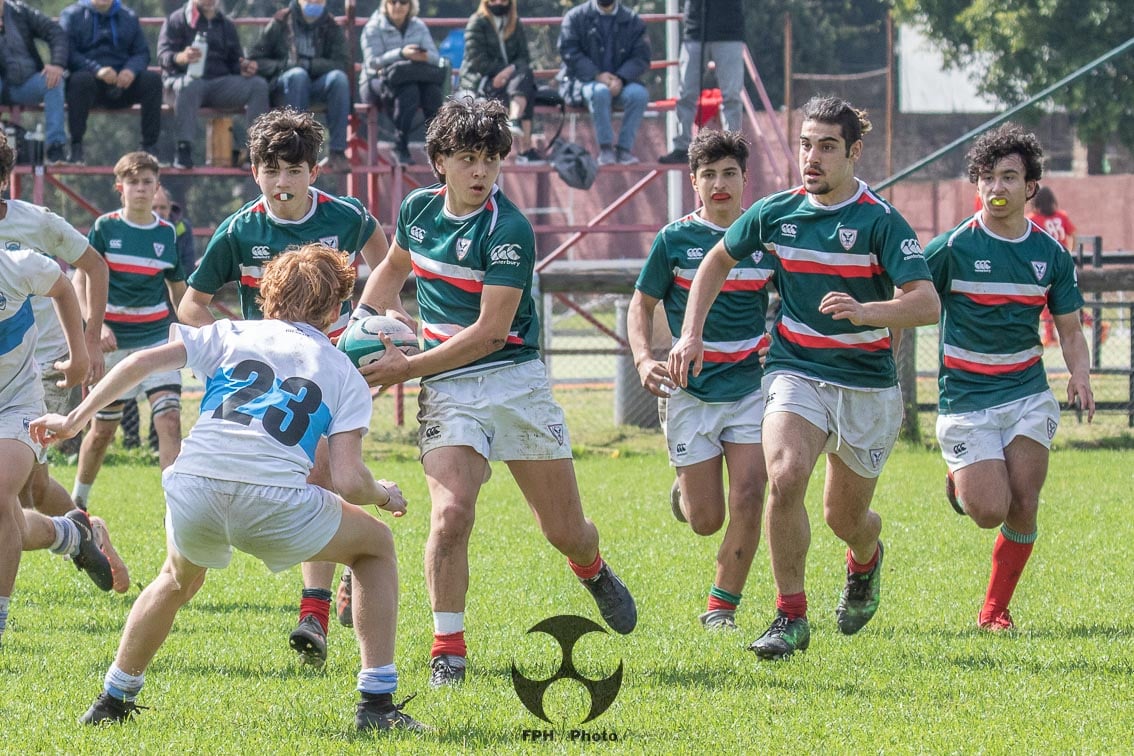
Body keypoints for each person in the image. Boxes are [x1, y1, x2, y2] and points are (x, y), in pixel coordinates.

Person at [33, 244, 426, 733]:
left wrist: (73, 420)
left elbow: (139, 365)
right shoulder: (341, 368)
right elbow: (349, 479)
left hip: (194, 486)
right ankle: (377, 705)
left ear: (266, 296)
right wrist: (385, 494)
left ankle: (114, 698)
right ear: (337, 311)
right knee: (375, 548)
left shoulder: (228, 331)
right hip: (275, 504)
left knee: (176, 581)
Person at [355, 96, 638, 688]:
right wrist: (363, 322)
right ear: (439, 161)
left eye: (488, 159)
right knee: (451, 513)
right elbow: (391, 273)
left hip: (513, 379)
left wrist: (406, 368)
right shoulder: (416, 210)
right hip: (448, 387)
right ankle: (447, 651)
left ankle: (592, 567)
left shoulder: (508, 228)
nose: (480, 172)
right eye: (466, 158)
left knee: (566, 530)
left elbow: (488, 334)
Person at [669, 95, 939, 660]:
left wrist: (869, 312)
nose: (811, 157)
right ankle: (790, 616)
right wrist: (690, 332)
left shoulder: (881, 221)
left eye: (827, 146)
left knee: (846, 517)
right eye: (804, 144)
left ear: (854, 152)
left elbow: (926, 303)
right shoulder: (775, 212)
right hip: (796, 369)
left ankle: (866, 558)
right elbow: (716, 260)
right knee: (786, 477)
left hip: (866, 383)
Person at [177, 107, 390, 668]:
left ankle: (319, 604)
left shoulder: (348, 217)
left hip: (339, 371)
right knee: (320, 476)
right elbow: (190, 306)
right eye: (271, 170)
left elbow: (389, 270)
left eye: (293, 170)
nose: (282, 182)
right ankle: (324, 597)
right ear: (254, 173)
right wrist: (232, 346)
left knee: (331, 474)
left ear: (313, 172)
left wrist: (369, 329)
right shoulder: (240, 229)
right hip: (279, 385)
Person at [926, 124, 1094, 633]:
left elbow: (1069, 328)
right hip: (966, 399)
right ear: (976, 186)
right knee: (987, 509)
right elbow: (907, 299)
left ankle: (994, 610)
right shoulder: (950, 248)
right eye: (987, 178)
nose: (997, 188)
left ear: (1030, 188)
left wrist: (1080, 374)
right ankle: (961, 484)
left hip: (1026, 394)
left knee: (1024, 502)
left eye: (1009, 177)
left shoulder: (1050, 254)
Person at [628, 130, 773, 630]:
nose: (719, 183)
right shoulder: (674, 240)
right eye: (708, 174)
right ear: (694, 182)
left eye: (729, 173)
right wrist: (645, 359)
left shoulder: (764, 240)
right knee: (705, 519)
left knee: (752, 493)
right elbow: (641, 305)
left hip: (750, 389)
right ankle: (686, 492)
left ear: (744, 179)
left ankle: (721, 607)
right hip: (690, 391)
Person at [0, 130, 117, 646]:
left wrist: (87, 347)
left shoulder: (36, 225)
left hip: (43, 369)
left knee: (12, 492)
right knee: (33, 492)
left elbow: (91, 267)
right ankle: (79, 532)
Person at [70, 152, 186, 516]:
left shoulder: (166, 233)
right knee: (103, 430)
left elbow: (179, 289)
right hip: (115, 344)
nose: (140, 189)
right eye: (133, 182)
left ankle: (177, 510)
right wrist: (95, 323)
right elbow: (80, 278)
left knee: (169, 419)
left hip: (156, 341)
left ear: (156, 188)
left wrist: (190, 335)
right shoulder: (105, 227)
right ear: (120, 188)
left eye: (147, 182)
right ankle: (78, 501)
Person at [157, 0, 271, 170]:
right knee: (189, 85)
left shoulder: (226, 25)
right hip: (184, 84)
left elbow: (234, 61)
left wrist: (244, 67)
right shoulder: (177, 20)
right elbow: (163, 56)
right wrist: (181, 57)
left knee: (258, 85)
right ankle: (183, 149)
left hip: (219, 84)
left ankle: (254, 152)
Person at [248, 0, 353, 174]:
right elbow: (257, 59)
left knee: (339, 79)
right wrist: (287, 66)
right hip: (286, 85)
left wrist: (310, 65)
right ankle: (296, 145)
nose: (314, 2)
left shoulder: (330, 24)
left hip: (318, 85)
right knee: (298, 75)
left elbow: (342, 63)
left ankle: (338, 151)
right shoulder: (281, 21)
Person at [59, 0, 164, 165]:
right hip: (89, 85)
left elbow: (141, 52)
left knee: (152, 81)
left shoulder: (128, 16)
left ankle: (148, 148)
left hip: (123, 83)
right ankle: (76, 147)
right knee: (79, 81)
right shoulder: (71, 16)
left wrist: (130, 70)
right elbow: (67, 53)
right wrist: (96, 70)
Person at [557, 0, 651, 166]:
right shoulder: (575, 17)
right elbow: (569, 51)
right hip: (585, 82)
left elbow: (641, 56)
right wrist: (597, 75)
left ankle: (624, 149)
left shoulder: (632, 20)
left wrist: (621, 78)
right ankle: (606, 149)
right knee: (599, 92)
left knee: (639, 95)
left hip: (623, 83)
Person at [658, 0, 746, 165]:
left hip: (729, 31)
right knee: (686, 94)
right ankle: (681, 147)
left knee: (732, 95)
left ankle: (732, 148)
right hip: (695, 29)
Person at [360, 0, 445, 166]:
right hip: (375, 80)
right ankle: (400, 144)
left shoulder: (418, 26)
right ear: (385, 4)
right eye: (393, 2)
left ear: (410, 5)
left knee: (432, 91)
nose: (398, 6)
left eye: (403, 2)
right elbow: (372, 63)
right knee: (409, 91)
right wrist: (402, 54)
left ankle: (437, 142)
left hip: (410, 76)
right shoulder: (373, 27)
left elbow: (435, 57)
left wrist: (423, 56)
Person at [458, 0, 543, 164]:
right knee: (525, 85)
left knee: (525, 78)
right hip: (482, 80)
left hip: (509, 80)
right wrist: (502, 72)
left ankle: (516, 122)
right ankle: (524, 149)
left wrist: (508, 72)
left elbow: (524, 56)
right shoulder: (477, 22)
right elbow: (477, 60)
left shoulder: (514, 22)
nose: (498, 2)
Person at [0, 0, 69, 164]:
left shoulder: (19, 11)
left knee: (53, 82)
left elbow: (55, 32)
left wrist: (57, 64)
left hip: (27, 81)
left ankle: (55, 147)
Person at [1027, 186, 1078, 347]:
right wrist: (1070, 252)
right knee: (1067, 301)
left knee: (1046, 301)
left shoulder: (1033, 219)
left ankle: (1050, 336)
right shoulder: (1061, 216)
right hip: (1062, 263)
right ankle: (1095, 324)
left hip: (1044, 265)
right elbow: (1073, 234)